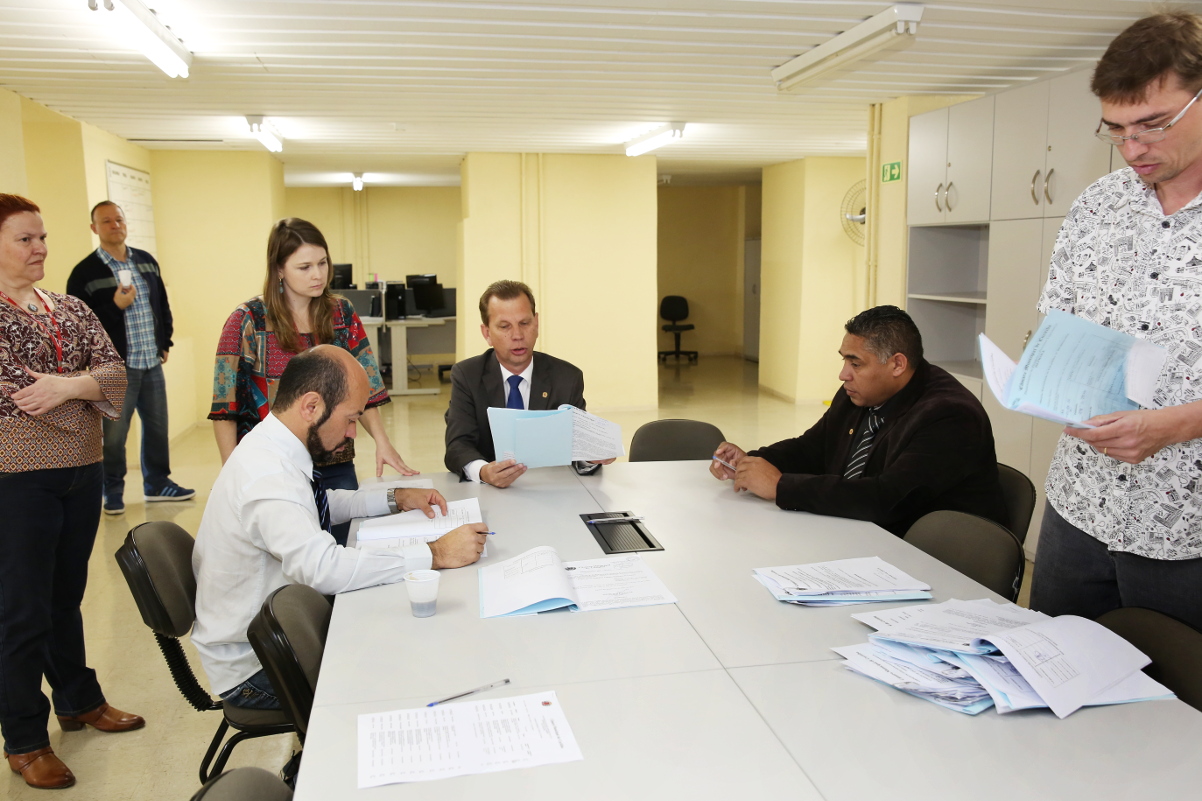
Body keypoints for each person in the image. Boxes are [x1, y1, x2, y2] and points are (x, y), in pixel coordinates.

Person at [193, 345, 488, 710]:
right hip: (258, 668)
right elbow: (323, 568)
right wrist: (436, 553)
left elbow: (318, 504)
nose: (353, 433)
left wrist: (395, 497)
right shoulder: (267, 477)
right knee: (416, 673)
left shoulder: (273, 446)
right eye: (351, 419)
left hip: (275, 634)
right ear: (311, 406)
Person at [1031, 12, 1202, 630]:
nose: (1133, 149)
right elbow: (1063, 321)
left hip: (1187, 528)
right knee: (1051, 679)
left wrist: (1175, 424)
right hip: (1078, 504)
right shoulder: (1098, 206)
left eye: (1153, 125)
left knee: (1175, 713)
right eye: (1117, 131)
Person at [0, 195, 143, 790]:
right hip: (18, 482)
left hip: (81, 472)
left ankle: (78, 700)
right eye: (25, 240)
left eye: (42, 237)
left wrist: (66, 386)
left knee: (66, 595)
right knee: (21, 609)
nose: (41, 250)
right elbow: (11, 399)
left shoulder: (68, 306)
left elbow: (115, 373)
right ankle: (26, 738)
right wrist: (77, 395)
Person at [710, 305, 1007, 537]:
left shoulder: (949, 416)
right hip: (859, 535)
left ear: (897, 364)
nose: (844, 374)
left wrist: (781, 486)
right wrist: (751, 461)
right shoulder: (860, 392)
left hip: (929, 558)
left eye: (855, 363)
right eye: (844, 360)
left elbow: (887, 499)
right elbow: (813, 448)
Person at [210, 217, 415, 544]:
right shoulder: (247, 320)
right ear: (279, 269)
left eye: (322, 263)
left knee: (339, 546)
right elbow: (225, 406)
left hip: (334, 460)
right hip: (274, 467)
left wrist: (381, 440)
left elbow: (367, 385)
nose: (318, 274)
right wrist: (231, 470)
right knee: (291, 559)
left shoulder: (341, 313)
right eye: (304, 267)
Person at [66, 200, 193, 514]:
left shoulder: (146, 261)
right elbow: (80, 326)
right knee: (113, 436)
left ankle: (158, 484)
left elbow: (161, 304)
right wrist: (115, 307)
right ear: (95, 228)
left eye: (119, 219)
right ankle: (113, 491)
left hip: (150, 361)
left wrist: (165, 341)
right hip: (114, 369)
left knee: (157, 428)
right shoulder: (84, 273)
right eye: (106, 221)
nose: (114, 225)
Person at [444, 279, 613, 486]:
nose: (517, 335)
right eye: (505, 326)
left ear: (536, 323)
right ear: (487, 333)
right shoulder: (467, 376)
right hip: (490, 493)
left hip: (551, 490)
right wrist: (483, 471)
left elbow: (576, 447)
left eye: (524, 323)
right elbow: (457, 445)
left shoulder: (567, 377)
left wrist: (590, 455)